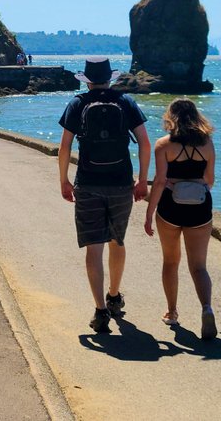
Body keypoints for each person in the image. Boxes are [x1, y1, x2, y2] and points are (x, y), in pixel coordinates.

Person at [58, 57, 151, 333]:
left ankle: (99, 310)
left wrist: (63, 180)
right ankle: (114, 295)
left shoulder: (78, 103)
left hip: (87, 183)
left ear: (86, 79)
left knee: (93, 247)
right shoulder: (125, 102)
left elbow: (64, 147)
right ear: (109, 78)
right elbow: (145, 143)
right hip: (122, 183)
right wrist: (142, 180)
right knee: (116, 240)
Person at [144, 98, 217, 339]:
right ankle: (206, 308)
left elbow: (161, 180)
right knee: (199, 266)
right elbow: (210, 180)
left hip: (170, 207)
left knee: (170, 261)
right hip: (200, 207)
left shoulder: (163, 145)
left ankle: (172, 312)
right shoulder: (207, 144)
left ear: (170, 117)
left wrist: (149, 212)